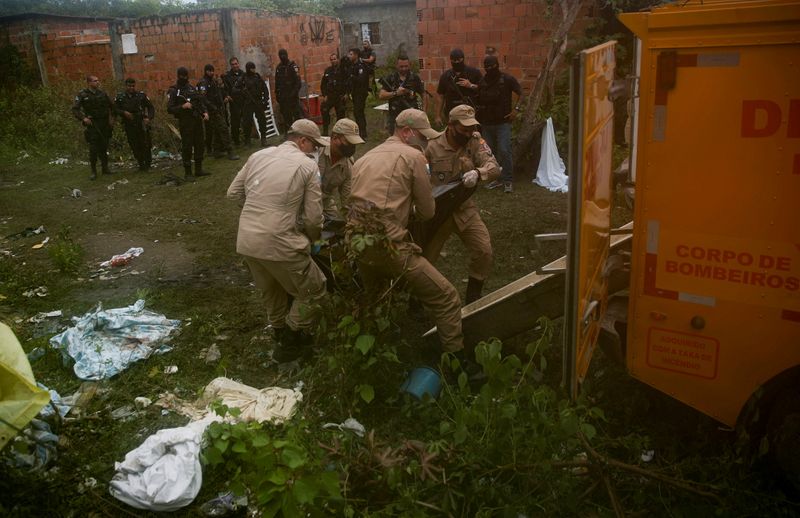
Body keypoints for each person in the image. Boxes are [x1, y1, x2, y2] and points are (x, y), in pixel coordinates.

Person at [347, 108, 468, 361]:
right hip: (388, 245)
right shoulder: (414, 157)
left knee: (374, 298)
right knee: (447, 297)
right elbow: (427, 212)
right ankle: (458, 364)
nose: (425, 144)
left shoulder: (364, 157)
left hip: (356, 242)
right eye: (422, 138)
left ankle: (370, 355)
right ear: (406, 132)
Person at [226, 119, 329, 362]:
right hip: (280, 241)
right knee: (315, 290)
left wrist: (258, 212)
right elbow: (314, 219)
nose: (315, 152)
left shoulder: (258, 155)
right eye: (313, 146)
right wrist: (313, 239)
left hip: (248, 239)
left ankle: (279, 332)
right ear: (302, 141)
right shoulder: (306, 166)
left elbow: (233, 193)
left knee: (271, 291)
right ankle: (290, 340)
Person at [424, 105, 500, 303]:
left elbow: (494, 167)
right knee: (425, 258)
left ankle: (473, 295)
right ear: (451, 125)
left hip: (464, 208)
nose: (469, 132)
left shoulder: (475, 141)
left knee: (483, 250)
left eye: (471, 128)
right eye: (464, 129)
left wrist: (478, 172)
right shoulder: (431, 146)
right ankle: (416, 299)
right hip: (438, 211)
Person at [478, 55, 523, 194]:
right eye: (487, 67)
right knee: (490, 153)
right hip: (487, 124)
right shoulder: (483, 81)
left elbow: (521, 94)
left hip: (503, 123)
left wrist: (516, 110)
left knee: (504, 150)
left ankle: (508, 180)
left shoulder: (507, 79)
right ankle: (496, 179)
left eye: (492, 66)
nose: (489, 69)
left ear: (497, 65)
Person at [167, 67, 210, 182]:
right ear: (178, 76)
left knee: (199, 144)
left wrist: (204, 112)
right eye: (182, 76)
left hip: (196, 120)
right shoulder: (174, 90)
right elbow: (170, 108)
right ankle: (188, 172)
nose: (184, 78)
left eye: (186, 76)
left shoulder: (191, 88)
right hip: (185, 122)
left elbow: (199, 101)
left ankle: (198, 169)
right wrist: (182, 107)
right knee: (187, 146)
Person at [318, 118, 364, 220]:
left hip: (324, 200)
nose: (352, 147)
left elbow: (347, 198)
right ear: (335, 138)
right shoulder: (316, 149)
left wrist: (354, 223)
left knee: (334, 222)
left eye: (354, 144)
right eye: (348, 142)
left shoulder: (348, 165)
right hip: (300, 198)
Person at [72, 75, 114, 180]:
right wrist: (83, 118)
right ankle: (93, 171)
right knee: (93, 148)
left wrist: (112, 119)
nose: (97, 82)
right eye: (95, 81)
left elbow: (112, 107)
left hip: (104, 123)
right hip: (93, 124)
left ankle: (105, 168)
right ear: (89, 83)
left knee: (104, 146)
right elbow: (75, 109)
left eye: (98, 80)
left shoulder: (103, 93)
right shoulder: (82, 94)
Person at [198, 64, 239, 161]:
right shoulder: (203, 83)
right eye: (210, 71)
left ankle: (216, 151)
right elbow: (203, 98)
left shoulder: (212, 81)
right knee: (224, 129)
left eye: (213, 71)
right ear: (206, 71)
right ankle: (230, 151)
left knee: (217, 130)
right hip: (212, 111)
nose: (212, 73)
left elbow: (218, 93)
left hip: (218, 109)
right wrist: (212, 107)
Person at [114, 77, 154, 171]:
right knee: (134, 144)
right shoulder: (120, 97)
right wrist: (124, 112)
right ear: (126, 86)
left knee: (146, 143)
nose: (131, 88)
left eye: (133, 86)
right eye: (129, 86)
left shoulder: (141, 96)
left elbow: (151, 107)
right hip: (129, 123)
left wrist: (149, 118)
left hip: (141, 122)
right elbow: (115, 109)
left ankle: (148, 163)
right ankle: (141, 163)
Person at [435, 49, 482, 127]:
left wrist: (470, 85)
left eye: (459, 60)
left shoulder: (474, 72)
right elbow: (440, 96)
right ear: (451, 60)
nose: (456, 62)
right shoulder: (446, 76)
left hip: (469, 114)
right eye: (454, 60)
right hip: (452, 114)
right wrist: (437, 116)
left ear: (463, 59)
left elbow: (482, 89)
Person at [378, 55, 425, 134]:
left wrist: (424, 112)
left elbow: (423, 94)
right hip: (395, 116)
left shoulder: (414, 78)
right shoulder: (391, 78)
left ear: (410, 65)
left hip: (411, 114)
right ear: (397, 65)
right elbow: (381, 95)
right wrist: (396, 93)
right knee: (395, 140)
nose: (404, 68)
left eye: (406, 66)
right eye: (401, 66)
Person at [234, 62, 270, 147]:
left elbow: (265, 89)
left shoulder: (257, 76)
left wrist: (265, 100)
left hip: (258, 102)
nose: (254, 70)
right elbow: (235, 90)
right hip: (248, 103)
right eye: (252, 68)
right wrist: (242, 92)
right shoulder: (243, 78)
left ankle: (263, 139)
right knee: (247, 122)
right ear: (249, 69)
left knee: (262, 120)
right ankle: (247, 141)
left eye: (254, 68)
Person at [320, 53, 349, 136]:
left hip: (340, 96)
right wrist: (324, 95)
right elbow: (323, 84)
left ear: (338, 59)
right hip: (330, 96)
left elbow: (348, 82)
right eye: (331, 59)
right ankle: (325, 132)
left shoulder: (343, 70)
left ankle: (339, 132)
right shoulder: (328, 70)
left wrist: (346, 93)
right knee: (324, 110)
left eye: (334, 59)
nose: (333, 61)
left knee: (340, 115)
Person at [275, 49, 302, 133]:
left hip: (292, 96)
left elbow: (298, 82)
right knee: (286, 116)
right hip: (283, 97)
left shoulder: (293, 66)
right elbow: (277, 82)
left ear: (287, 55)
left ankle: (299, 132)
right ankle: (288, 133)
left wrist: (293, 93)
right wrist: (277, 94)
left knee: (296, 115)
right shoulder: (278, 67)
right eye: (280, 55)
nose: (282, 56)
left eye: (284, 54)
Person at [347, 47, 370, 139]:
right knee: (356, 113)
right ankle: (360, 131)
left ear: (356, 55)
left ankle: (363, 133)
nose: (349, 56)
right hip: (355, 93)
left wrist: (352, 77)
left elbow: (361, 80)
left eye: (351, 54)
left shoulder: (361, 66)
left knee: (359, 112)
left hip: (361, 92)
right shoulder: (352, 66)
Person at [222, 57, 245, 146]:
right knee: (235, 122)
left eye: (236, 63)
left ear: (238, 64)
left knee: (246, 120)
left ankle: (247, 139)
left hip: (243, 100)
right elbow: (225, 88)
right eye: (233, 64)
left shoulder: (243, 74)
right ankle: (236, 141)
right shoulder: (227, 76)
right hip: (234, 101)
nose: (235, 65)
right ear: (230, 65)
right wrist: (227, 95)